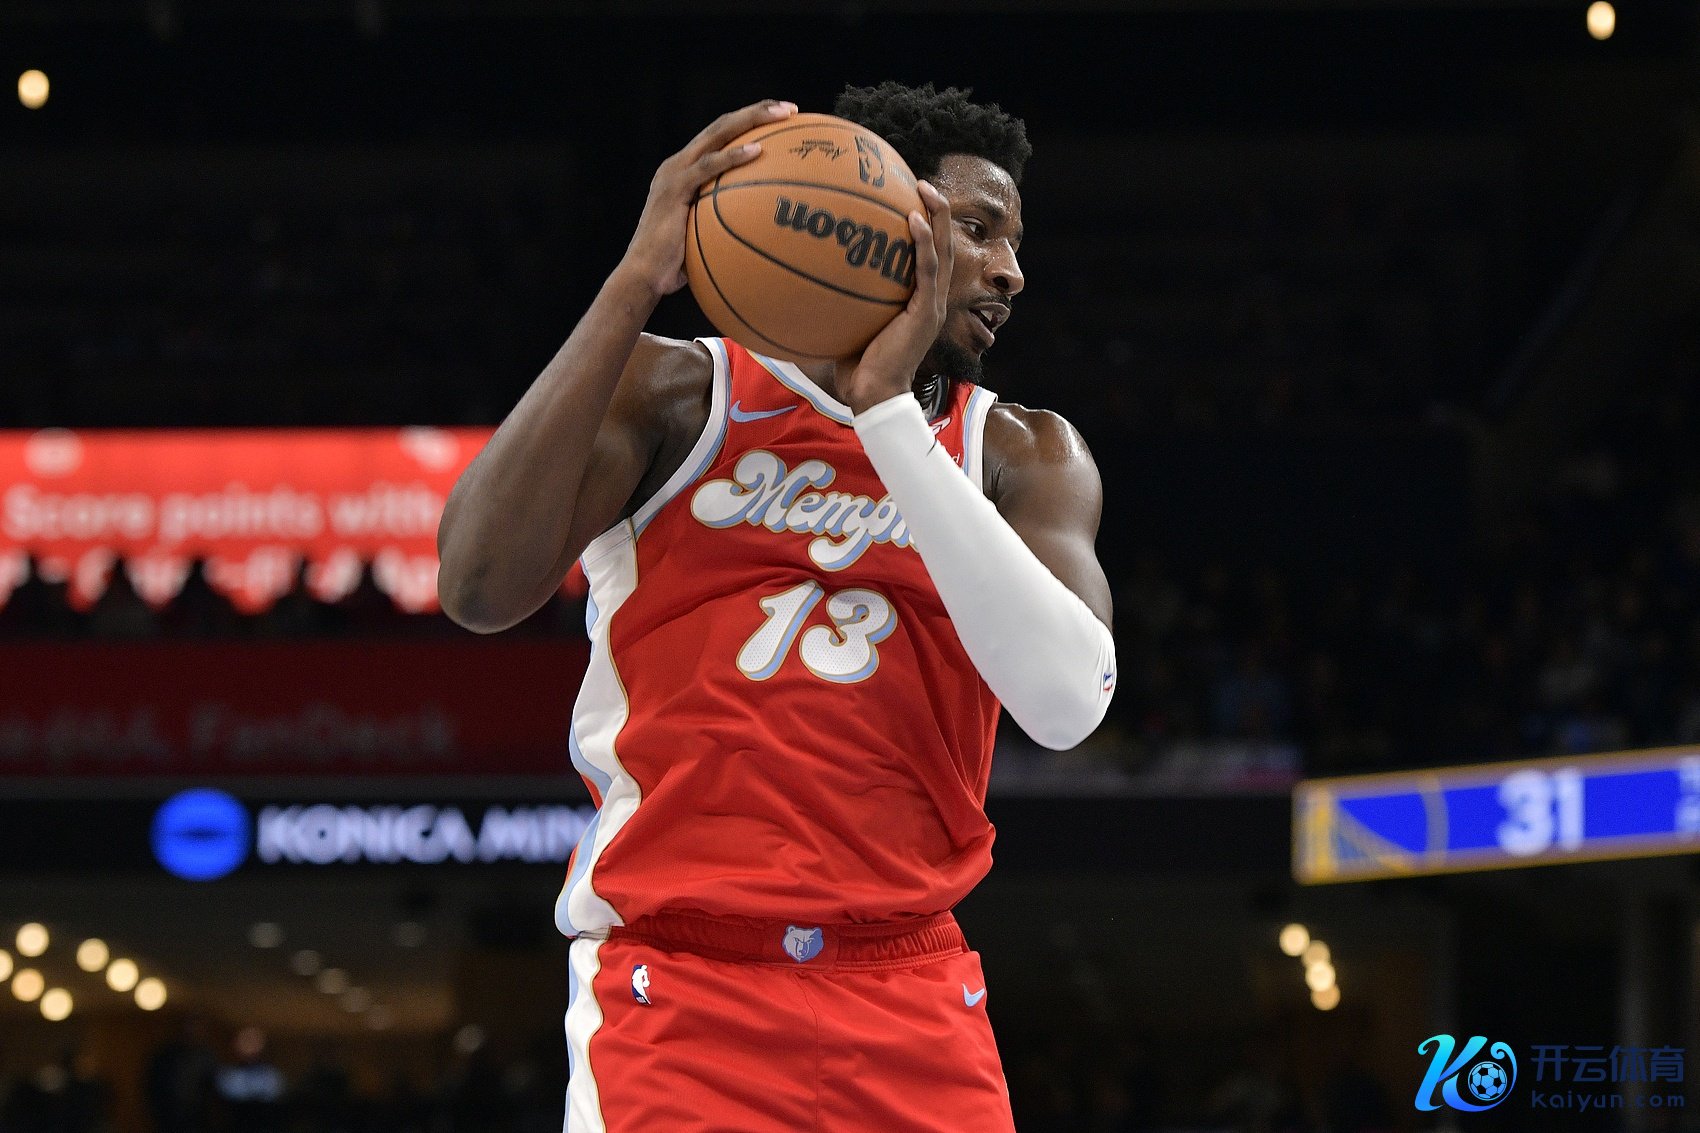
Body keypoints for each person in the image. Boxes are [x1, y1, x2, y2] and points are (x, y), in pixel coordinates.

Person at [439, 81, 1116, 1132]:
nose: (1009, 270)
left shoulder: (1023, 452)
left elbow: (1068, 706)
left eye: (1013, 242)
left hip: (912, 986)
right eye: (978, 229)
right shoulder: (675, 394)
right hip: (681, 988)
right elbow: (477, 586)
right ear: (882, 217)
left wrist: (885, 416)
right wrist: (632, 281)